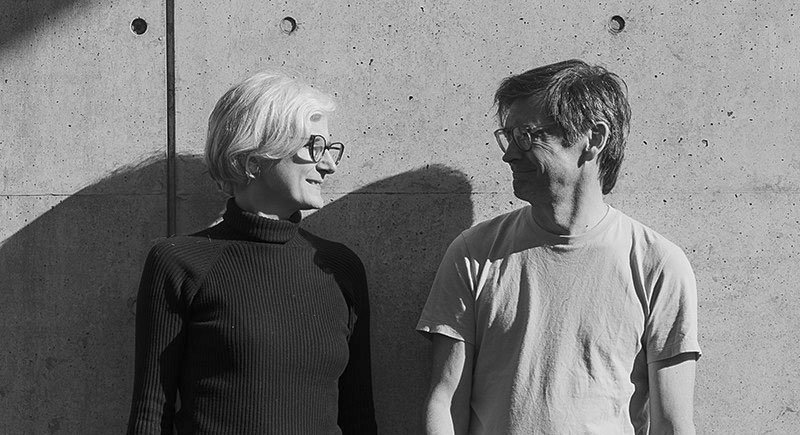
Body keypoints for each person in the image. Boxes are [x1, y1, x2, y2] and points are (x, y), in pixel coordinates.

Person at [417, 60, 701, 434]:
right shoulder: (475, 253)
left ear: (593, 138)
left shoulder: (657, 264)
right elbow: (446, 402)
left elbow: (672, 423)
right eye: (507, 136)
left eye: (526, 136)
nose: (508, 154)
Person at [127, 72, 377, 434]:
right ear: (254, 158)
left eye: (330, 149)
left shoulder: (339, 268)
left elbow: (358, 416)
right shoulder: (180, 262)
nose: (329, 165)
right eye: (314, 147)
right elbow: (151, 416)